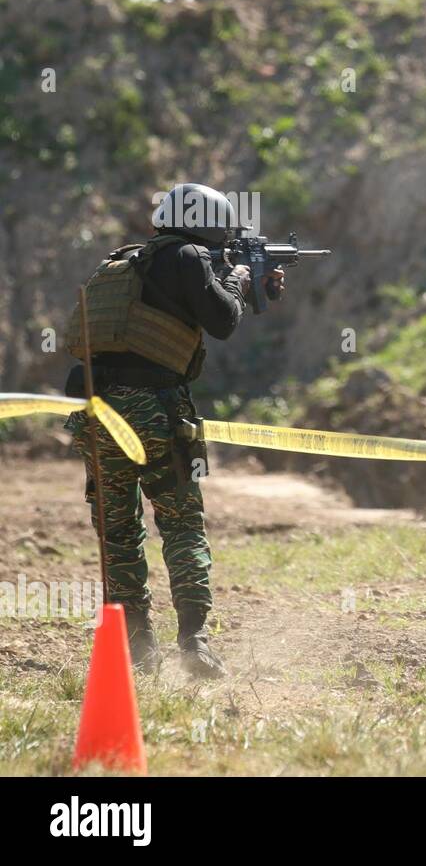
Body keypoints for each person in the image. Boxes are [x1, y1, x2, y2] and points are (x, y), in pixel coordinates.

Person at [63, 183, 284, 678]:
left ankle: (137, 648)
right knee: (181, 524)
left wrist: (237, 277)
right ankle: (194, 643)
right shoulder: (188, 257)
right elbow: (223, 321)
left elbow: (174, 307)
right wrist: (244, 277)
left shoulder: (124, 262)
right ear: (206, 224)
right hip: (156, 414)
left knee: (117, 532)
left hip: (97, 413)